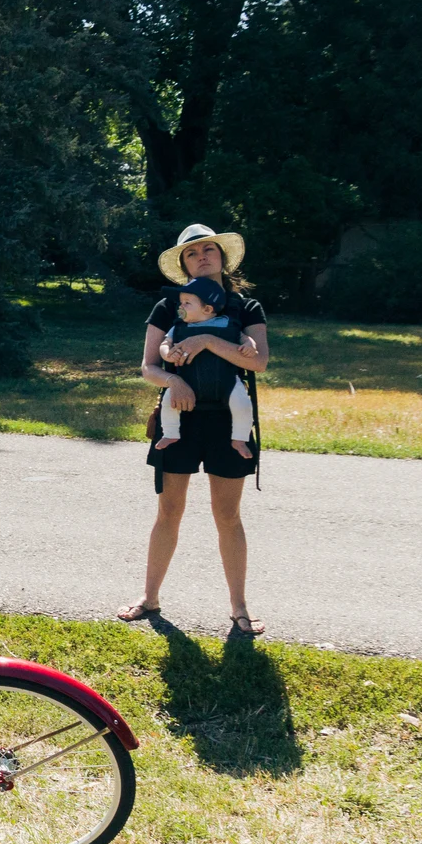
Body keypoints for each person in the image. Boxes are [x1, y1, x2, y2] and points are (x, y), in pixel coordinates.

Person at [118, 223, 271, 636]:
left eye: (208, 250)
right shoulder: (169, 307)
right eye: (192, 253)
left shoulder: (246, 308)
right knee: (169, 511)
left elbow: (258, 362)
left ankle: (239, 608)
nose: (201, 256)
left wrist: (205, 342)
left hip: (229, 421)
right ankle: (149, 598)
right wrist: (175, 381)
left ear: (222, 257)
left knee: (228, 515)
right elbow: (150, 366)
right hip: (178, 419)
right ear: (184, 264)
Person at [154, 276, 254, 458]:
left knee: (243, 405)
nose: (180, 307)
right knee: (169, 401)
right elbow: (165, 343)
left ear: (207, 309)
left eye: (187, 303)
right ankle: (170, 433)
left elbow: (244, 338)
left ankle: (239, 439)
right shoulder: (178, 327)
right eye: (181, 302)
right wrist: (167, 353)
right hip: (186, 382)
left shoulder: (227, 323)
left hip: (227, 382)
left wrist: (249, 345)